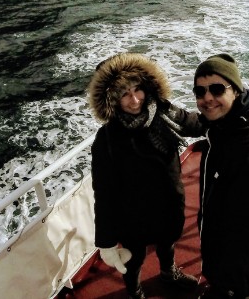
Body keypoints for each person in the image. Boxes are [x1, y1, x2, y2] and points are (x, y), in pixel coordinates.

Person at [88, 52, 205, 299]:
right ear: (111, 99)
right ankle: (134, 291)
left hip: (170, 201)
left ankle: (168, 272)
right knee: (135, 256)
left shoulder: (164, 111)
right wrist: (106, 241)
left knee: (169, 240)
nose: (134, 100)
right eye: (123, 94)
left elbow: (195, 124)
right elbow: (104, 193)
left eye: (136, 89)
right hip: (133, 214)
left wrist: (231, 111)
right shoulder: (107, 139)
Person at [193, 54, 249, 299]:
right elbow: (203, 123)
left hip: (240, 278)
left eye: (217, 89)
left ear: (236, 91)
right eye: (200, 92)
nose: (207, 98)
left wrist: (232, 287)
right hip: (225, 264)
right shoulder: (229, 126)